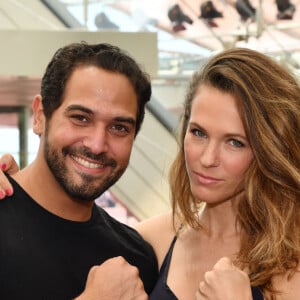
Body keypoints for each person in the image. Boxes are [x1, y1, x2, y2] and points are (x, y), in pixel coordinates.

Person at [1, 47, 300, 299]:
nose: (207, 158)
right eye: (198, 133)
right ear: (40, 116)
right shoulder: (151, 244)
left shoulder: (133, 250)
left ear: (269, 149)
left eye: (235, 142)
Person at [0, 42, 158, 299]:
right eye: (81, 118)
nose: (97, 145)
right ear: (40, 116)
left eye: (119, 127)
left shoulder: (135, 263)